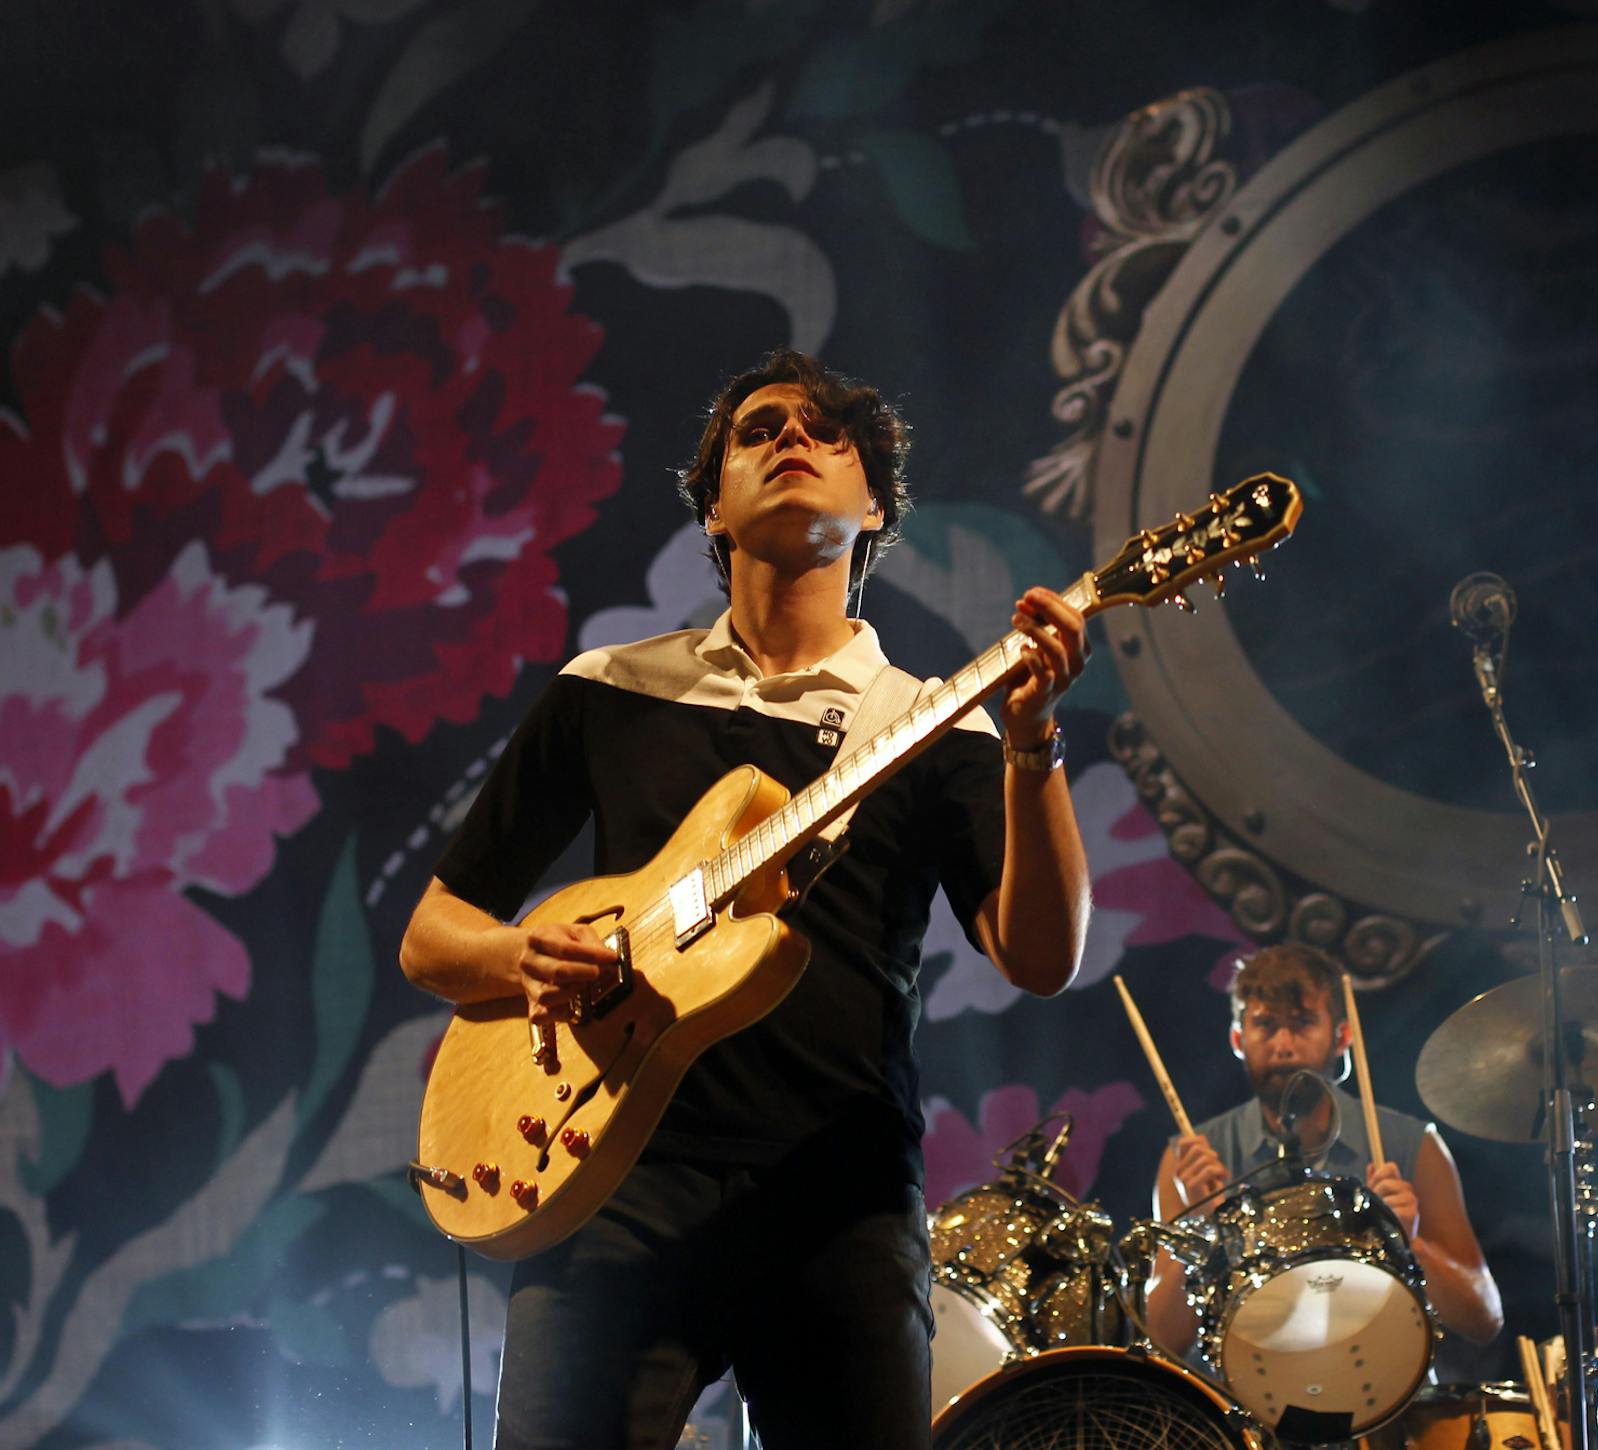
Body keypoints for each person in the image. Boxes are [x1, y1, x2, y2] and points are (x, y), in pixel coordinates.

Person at [398, 349, 1092, 1450]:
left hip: (842, 1191)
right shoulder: (612, 690)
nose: (792, 440)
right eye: (758, 429)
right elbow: (433, 935)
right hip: (610, 1175)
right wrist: (522, 959)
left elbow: (1040, 955)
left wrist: (1032, 741)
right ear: (712, 506)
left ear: (873, 508)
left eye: (827, 432)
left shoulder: (933, 720)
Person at [1146, 943, 1503, 1363]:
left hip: (1384, 1402)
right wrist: (1203, 1230)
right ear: (1239, 1039)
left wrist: (1408, 1242)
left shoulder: (1412, 1145)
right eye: (1266, 1025)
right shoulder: (1191, 1160)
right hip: (1243, 1413)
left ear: (1342, 1037)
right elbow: (1160, 1341)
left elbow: (1483, 1318)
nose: (1283, 1044)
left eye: (1302, 1023)